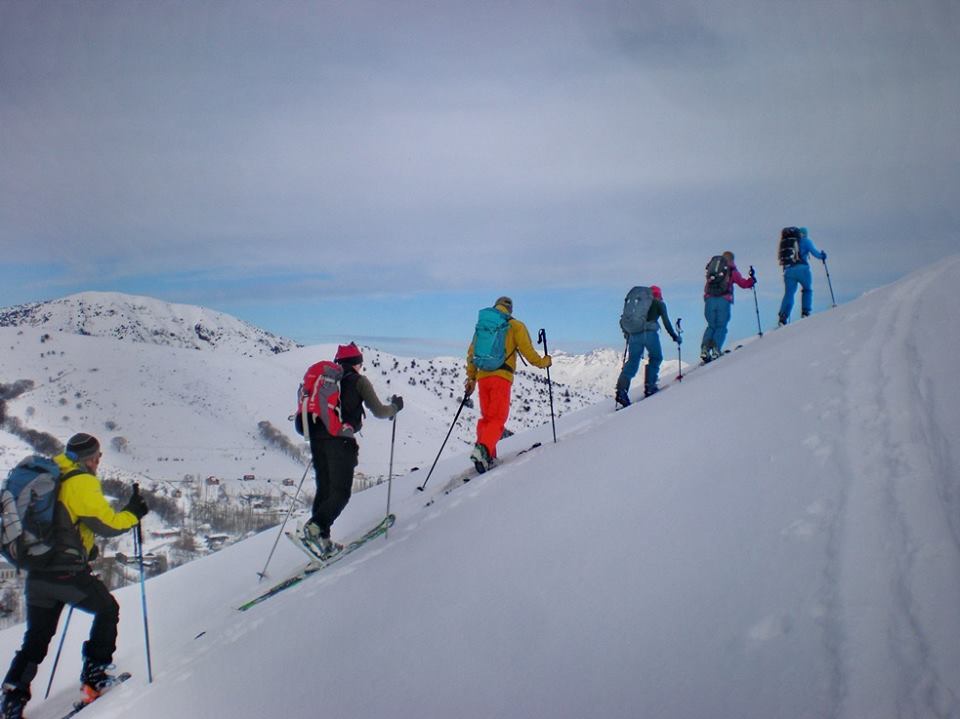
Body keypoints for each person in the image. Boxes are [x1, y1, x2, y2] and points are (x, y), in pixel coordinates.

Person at [1, 434, 148, 719]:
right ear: (90, 458)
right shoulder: (81, 482)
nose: (98, 462)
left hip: (37, 575)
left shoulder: (51, 474)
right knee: (107, 610)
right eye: (97, 457)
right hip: (66, 574)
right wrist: (133, 513)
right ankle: (95, 676)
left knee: (36, 639)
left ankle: (12, 698)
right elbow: (107, 524)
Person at [302, 342, 402, 556]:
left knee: (325, 488)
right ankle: (316, 528)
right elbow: (380, 411)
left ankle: (322, 537)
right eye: (360, 363)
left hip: (317, 438)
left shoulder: (328, 382)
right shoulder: (358, 381)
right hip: (341, 440)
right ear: (357, 363)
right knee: (341, 492)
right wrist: (395, 407)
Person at [464, 296, 551, 473]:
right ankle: (483, 450)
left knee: (487, 418)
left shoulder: (483, 327)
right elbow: (528, 352)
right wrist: (543, 362)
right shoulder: (515, 325)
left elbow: (472, 353)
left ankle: (487, 455)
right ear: (510, 309)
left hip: (482, 378)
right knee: (497, 418)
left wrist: (471, 378)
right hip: (501, 376)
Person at [615, 285, 680, 407]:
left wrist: (628, 334)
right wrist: (675, 336)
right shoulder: (659, 304)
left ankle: (621, 391)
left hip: (634, 335)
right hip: (650, 334)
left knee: (633, 361)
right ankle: (650, 386)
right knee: (656, 358)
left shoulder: (638, 305)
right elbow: (666, 322)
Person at [700, 251, 756, 363]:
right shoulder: (731, 270)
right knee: (721, 326)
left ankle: (705, 349)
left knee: (711, 326)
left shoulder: (712, 269)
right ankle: (716, 350)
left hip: (709, 301)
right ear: (731, 260)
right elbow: (742, 283)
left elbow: (706, 287)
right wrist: (752, 280)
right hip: (723, 300)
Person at [778, 226, 827, 325]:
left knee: (789, 294)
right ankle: (805, 311)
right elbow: (815, 253)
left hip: (788, 270)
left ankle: (783, 317)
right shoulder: (806, 241)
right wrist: (822, 256)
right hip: (802, 269)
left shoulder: (789, 243)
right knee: (807, 289)